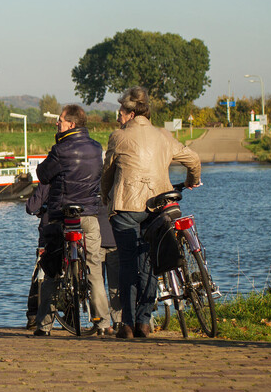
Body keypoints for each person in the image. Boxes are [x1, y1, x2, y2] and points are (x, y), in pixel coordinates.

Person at [101, 86, 201, 339]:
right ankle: (144, 322)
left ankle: (126, 323)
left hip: (126, 206)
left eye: (121, 111)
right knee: (148, 264)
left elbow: (107, 173)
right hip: (157, 207)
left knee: (126, 264)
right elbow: (193, 160)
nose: (118, 116)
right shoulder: (163, 136)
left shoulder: (118, 137)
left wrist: (105, 196)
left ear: (131, 113)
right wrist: (191, 180)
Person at [33, 104, 111, 336]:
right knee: (95, 269)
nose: (57, 123)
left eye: (60, 120)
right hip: (89, 215)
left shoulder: (60, 150)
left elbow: (43, 175)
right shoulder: (96, 148)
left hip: (61, 217)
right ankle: (103, 323)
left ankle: (44, 325)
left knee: (53, 270)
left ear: (71, 124)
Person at [24, 182, 50, 330]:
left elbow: (31, 207)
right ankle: (71, 315)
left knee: (40, 270)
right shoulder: (80, 173)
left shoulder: (48, 180)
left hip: (49, 229)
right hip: (74, 225)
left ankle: (33, 315)